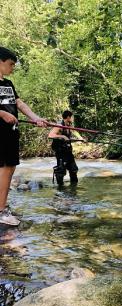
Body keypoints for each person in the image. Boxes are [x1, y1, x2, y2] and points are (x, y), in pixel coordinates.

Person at [0, 47, 47, 226]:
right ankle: (1, 211)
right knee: (4, 168)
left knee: (9, 168)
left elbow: (19, 103)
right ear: (0, 62)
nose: (13, 68)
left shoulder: (9, 84)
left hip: (11, 133)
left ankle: (2, 206)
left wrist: (35, 118)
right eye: (11, 64)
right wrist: (2, 114)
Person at [49, 110, 84, 186]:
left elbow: (74, 131)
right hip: (60, 151)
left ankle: (74, 188)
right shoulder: (59, 126)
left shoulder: (68, 125)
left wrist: (81, 138)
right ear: (68, 117)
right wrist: (62, 136)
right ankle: (60, 189)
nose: (72, 119)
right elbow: (50, 135)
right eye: (72, 117)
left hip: (68, 151)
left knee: (73, 169)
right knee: (61, 171)